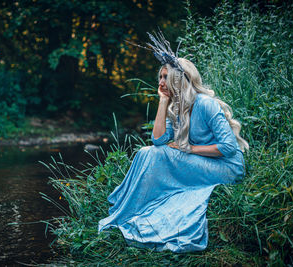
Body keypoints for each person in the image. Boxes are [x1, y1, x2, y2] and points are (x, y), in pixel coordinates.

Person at [98, 32, 249, 253]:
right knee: (146, 152)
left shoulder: (206, 104)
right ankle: (134, 208)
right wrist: (163, 101)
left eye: (165, 77)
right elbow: (158, 140)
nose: (160, 82)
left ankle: (139, 208)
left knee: (158, 154)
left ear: (179, 79)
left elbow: (228, 148)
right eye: (159, 77)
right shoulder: (175, 108)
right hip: (201, 162)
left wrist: (188, 149)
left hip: (228, 168)